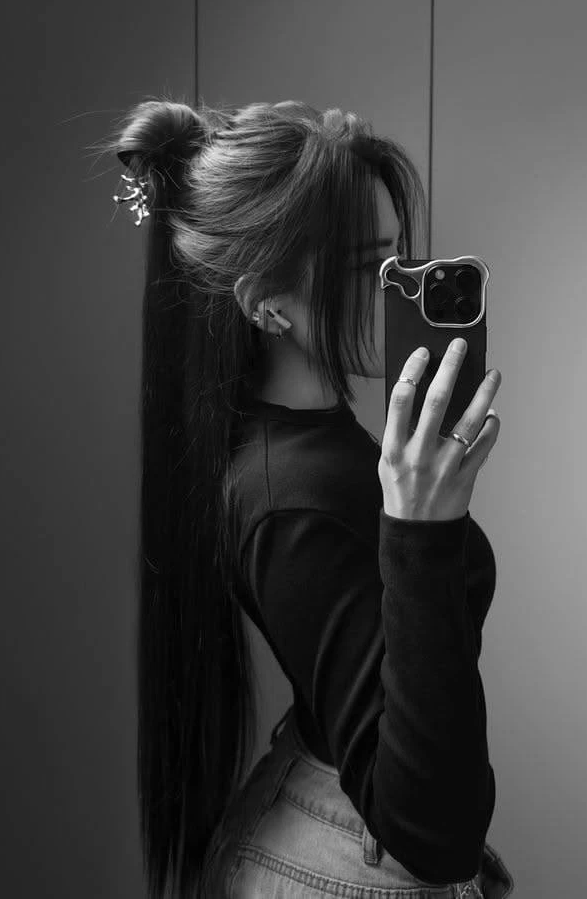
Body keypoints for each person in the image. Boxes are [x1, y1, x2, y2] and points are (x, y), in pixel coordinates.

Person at [103, 98, 515, 898]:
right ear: (268, 304)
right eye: (368, 268)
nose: (396, 290)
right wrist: (422, 530)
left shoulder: (312, 437)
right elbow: (435, 835)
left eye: (397, 260)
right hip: (339, 862)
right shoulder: (289, 500)